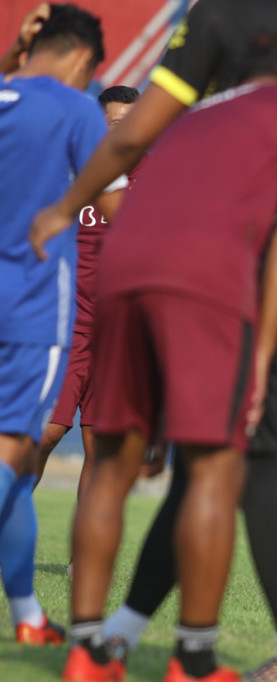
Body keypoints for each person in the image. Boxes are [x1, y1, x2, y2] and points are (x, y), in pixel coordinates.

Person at [30, 2, 277, 679]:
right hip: (225, 276)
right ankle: (217, 659)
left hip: (125, 266)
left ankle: (95, 644)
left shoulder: (195, 107)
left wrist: (66, 205)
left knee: (127, 463)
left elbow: (128, 144)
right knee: (230, 462)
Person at [0, 2, 114, 647]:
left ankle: (27, 614)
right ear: (82, 61)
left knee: (17, 467)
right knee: (13, 453)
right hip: (30, 311)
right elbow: (121, 206)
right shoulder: (76, 111)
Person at [33, 85, 140, 498]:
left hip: (117, 335)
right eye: (114, 123)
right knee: (45, 434)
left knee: (99, 450)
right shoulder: (73, 169)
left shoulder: (154, 173)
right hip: (66, 329)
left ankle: (83, 562)